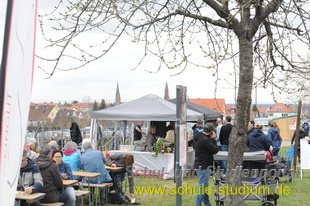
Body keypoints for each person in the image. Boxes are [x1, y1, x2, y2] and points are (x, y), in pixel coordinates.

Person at [193, 123, 218, 206]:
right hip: (204, 165)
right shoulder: (206, 140)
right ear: (211, 132)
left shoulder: (198, 136)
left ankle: (207, 204)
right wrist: (213, 139)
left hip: (198, 163)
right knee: (202, 188)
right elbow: (214, 150)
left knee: (204, 187)